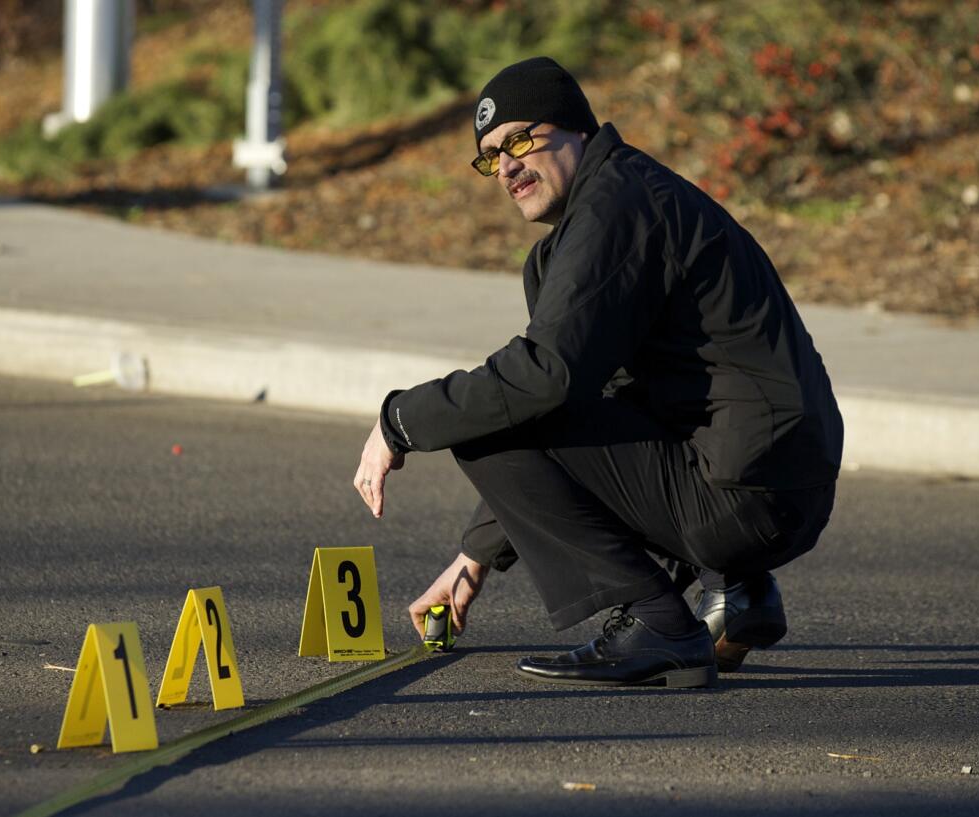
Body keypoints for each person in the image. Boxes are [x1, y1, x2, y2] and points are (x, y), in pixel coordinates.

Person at [352, 57, 843, 688]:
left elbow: (542, 379)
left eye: (520, 141)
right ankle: (739, 593)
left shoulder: (617, 209)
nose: (506, 168)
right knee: (505, 404)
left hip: (746, 493)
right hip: (780, 488)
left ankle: (658, 621)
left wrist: (399, 421)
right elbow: (572, 408)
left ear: (576, 129)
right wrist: (474, 558)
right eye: (490, 158)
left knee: (473, 419)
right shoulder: (617, 202)